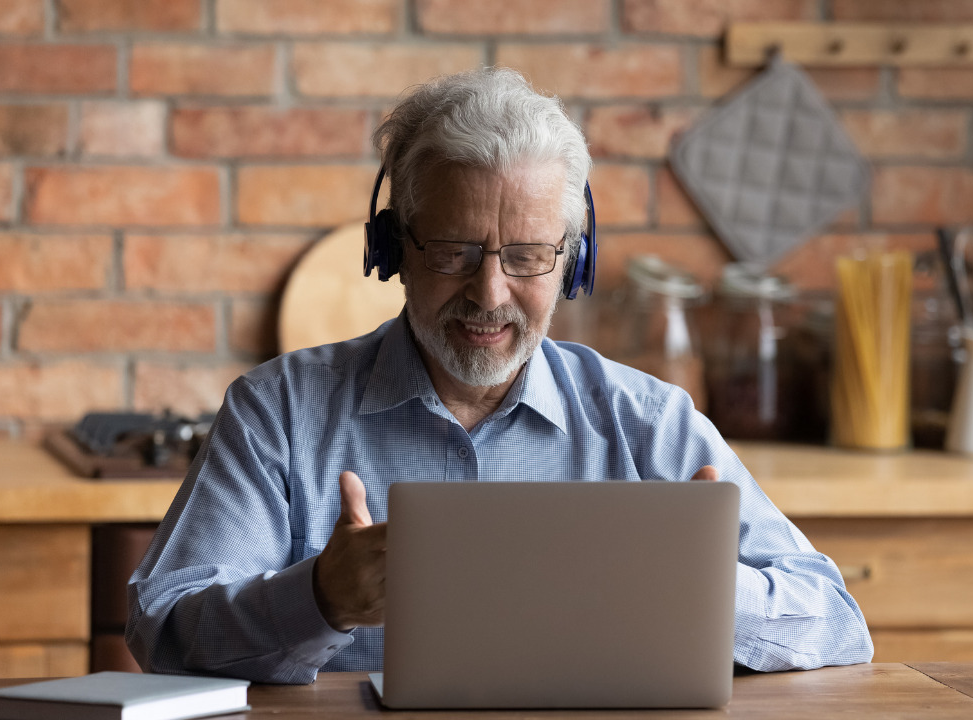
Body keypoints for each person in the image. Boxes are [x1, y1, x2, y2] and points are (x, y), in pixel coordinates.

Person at [127, 67, 873, 684]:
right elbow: (162, 628)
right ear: (393, 251)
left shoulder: (647, 421)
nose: (489, 294)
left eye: (525, 256)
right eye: (453, 250)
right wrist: (321, 598)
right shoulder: (278, 412)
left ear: (572, 264)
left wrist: (709, 593)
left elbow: (838, 620)